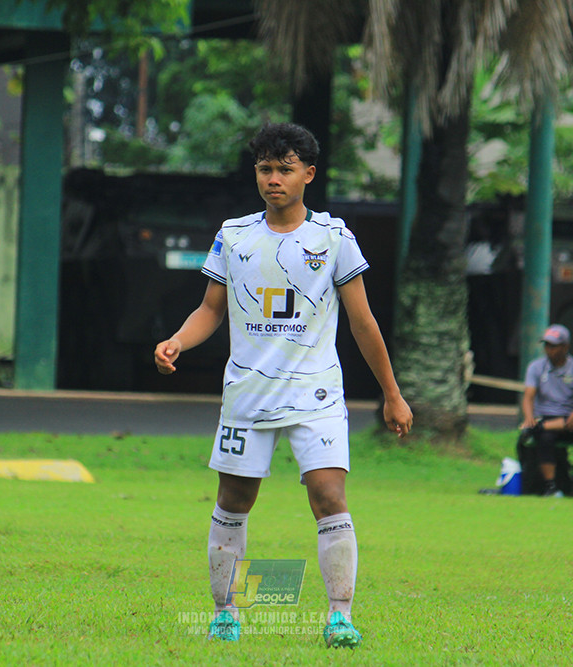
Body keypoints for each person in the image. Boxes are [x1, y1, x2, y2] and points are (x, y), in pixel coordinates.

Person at [153, 122, 412, 648]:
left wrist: (392, 392)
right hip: (248, 394)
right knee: (235, 497)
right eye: (266, 169)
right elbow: (210, 309)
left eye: (285, 169)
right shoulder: (234, 235)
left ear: (308, 175)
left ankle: (340, 614)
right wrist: (178, 341)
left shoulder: (334, 238)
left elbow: (363, 322)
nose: (274, 179)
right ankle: (226, 611)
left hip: (316, 392)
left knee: (328, 493)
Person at [519, 324, 573, 497]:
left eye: (553, 345)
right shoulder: (536, 367)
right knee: (545, 437)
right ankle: (550, 486)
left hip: (570, 419)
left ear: (565, 347)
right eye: (547, 345)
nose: (548, 350)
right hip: (546, 416)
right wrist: (529, 417)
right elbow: (528, 396)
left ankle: (541, 426)